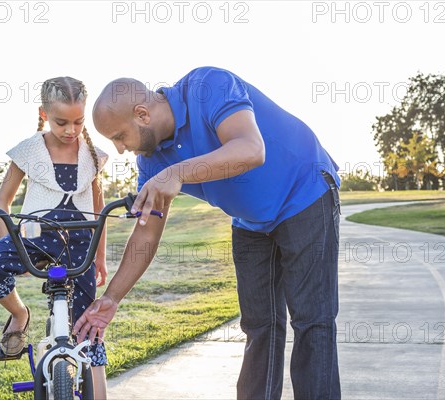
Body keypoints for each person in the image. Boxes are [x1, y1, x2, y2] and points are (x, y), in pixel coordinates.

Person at [74, 66, 341, 399]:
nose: (120, 149)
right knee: (260, 327)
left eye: (119, 137)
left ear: (142, 114)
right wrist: (112, 298)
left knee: (311, 321)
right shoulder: (152, 161)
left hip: (305, 192)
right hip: (250, 221)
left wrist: (178, 172)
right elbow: (145, 234)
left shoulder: (208, 85)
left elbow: (250, 149)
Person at [0, 76, 109, 399]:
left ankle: (101, 392)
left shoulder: (92, 154)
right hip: (37, 235)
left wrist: (100, 256)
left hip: (80, 243)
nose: (71, 130)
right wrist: (13, 244)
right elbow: (2, 203)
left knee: (88, 326)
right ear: (44, 114)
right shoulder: (29, 150)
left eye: (78, 122)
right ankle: (21, 315)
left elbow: (99, 210)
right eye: (62, 122)